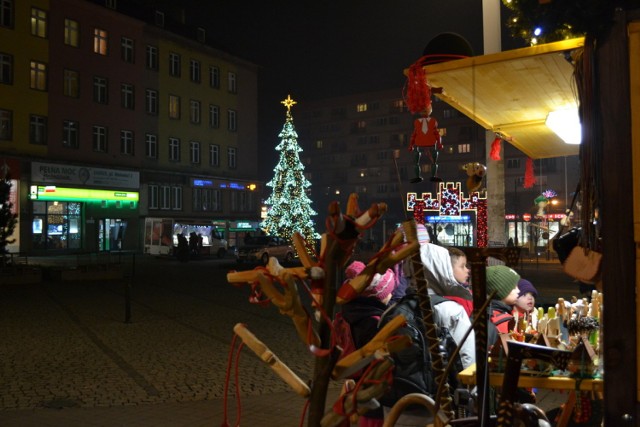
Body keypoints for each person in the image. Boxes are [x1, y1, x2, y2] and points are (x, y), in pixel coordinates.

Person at [338, 260, 397, 427]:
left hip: (361, 385)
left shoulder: (353, 313)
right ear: (378, 295)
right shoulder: (374, 323)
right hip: (375, 393)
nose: (391, 295)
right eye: (389, 292)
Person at [485, 265, 521, 345]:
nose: (518, 291)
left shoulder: (489, 312)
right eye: (514, 287)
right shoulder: (500, 323)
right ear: (501, 291)